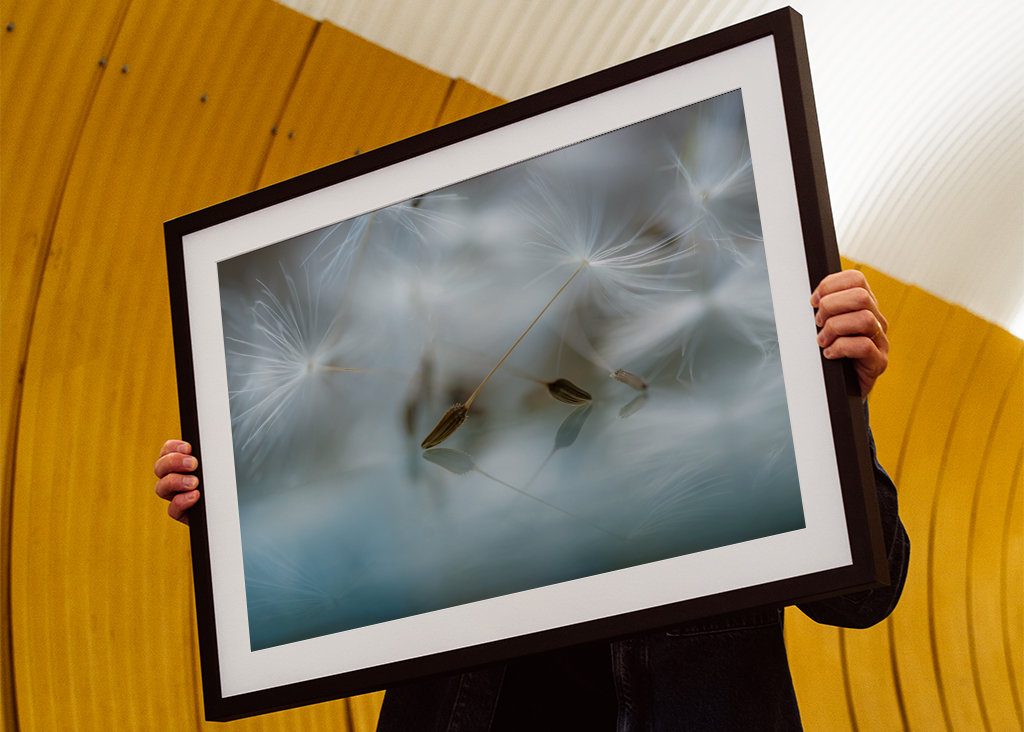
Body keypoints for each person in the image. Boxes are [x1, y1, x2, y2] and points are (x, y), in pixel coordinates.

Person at [155, 269, 909, 731]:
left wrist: (837, 405)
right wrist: (236, 504)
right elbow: (343, 553)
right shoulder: (440, 436)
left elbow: (865, 595)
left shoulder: (741, 415)